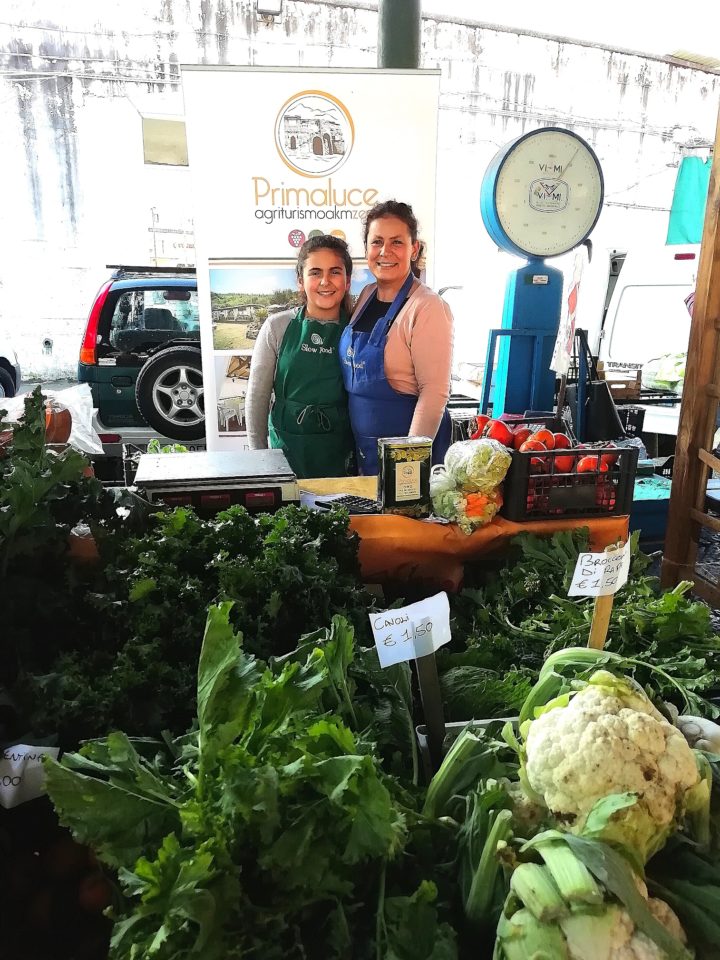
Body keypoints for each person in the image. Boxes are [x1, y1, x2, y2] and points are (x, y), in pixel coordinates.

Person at [339, 200, 453, 475]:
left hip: (407, 450)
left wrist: (408, 464)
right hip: (363, 448)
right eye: (376, 242)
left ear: (414, 249)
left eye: (397, 242)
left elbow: (434, 393)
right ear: (366, 248)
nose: (385, 252)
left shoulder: (427, 306)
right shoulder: (365, 295)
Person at [245, 235, 355, 479]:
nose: (325, 281)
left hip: (341, 455)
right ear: (300, 281)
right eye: (315, 272)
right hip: (285, 452)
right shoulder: (277, 326)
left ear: (347, 281)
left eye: (335, 272)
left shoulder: (357, 330)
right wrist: (259, 459)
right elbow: (257, 397)